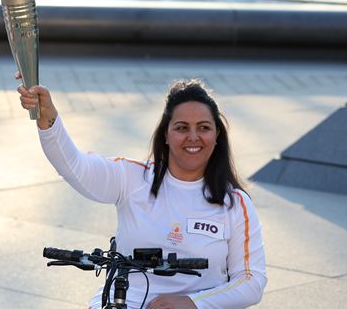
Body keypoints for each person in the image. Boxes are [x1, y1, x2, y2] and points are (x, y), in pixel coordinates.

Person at [18, 78, 266, 309]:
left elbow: (251, 281)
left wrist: (192, 302)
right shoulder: (131, 178)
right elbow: (76, 168)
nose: (193, 137)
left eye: (203, 127)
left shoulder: (235, 203)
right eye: (181, 127)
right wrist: (48, 119)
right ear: (166, 135)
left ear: (216, 135)